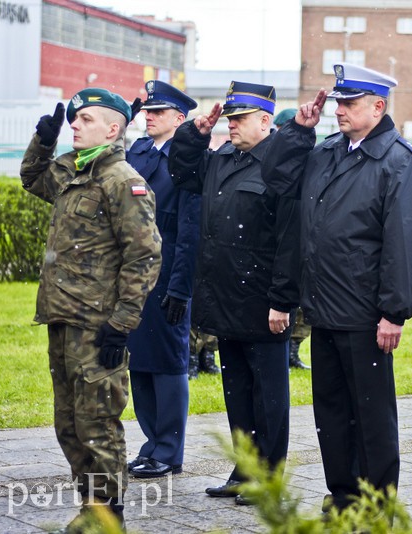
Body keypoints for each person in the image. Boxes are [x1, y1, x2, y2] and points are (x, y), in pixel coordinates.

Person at [262, 63, 412, 512]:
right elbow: (277, 180)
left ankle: (377, 505)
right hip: (324, 307)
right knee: (333, 414)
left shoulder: (400, 161)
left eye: (350, 103)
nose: (339, 110)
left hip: (365, 314)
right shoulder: (325, 151)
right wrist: (299, 132)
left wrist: (394, 311)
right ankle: (343, 496)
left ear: (378, 107)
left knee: (372, 418)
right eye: (338, 102)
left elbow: (410, 239)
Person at [19, 88, 161, 532]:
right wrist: (45, 139)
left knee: (98, 422)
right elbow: (32, 177)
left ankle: (107, 513)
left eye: (85, 120)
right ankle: (90, 505)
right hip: (62, 319)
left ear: (113, 129)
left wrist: (122, 323)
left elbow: (145, 256)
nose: (75, 125)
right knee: (69, 424)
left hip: (98, 326)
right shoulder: (73, 172)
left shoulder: (123, 181)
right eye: (74, 120)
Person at [169, 81, 300, 505]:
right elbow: (182, 171)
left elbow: (290, 239)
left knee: (269, 396)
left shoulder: (279, 164)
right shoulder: (222, 157)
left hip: (263, 302)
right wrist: (196, 133)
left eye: (240, 120)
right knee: (238, 392)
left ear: (266, 120)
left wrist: (283, 299)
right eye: (230, 120)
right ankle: (243, 468)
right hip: (225, 297)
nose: (233, 127)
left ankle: (267, 476)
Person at [125, 80, 201, 479]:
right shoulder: (136, 151)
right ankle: (151, 443)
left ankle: (169, 450)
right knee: (139, 357)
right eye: (147, 111)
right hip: (133, 272)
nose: (149, 116)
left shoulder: (187, 158)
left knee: (169, 362)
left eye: (158, 111)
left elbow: (190, 228)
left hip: (168, 268)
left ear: (179, 118)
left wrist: (180, 285)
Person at [274, 107, 311, 371]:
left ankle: (293, 350)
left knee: (300, 314)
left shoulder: (307, 164)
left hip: (300, 248)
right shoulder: (274, 162)